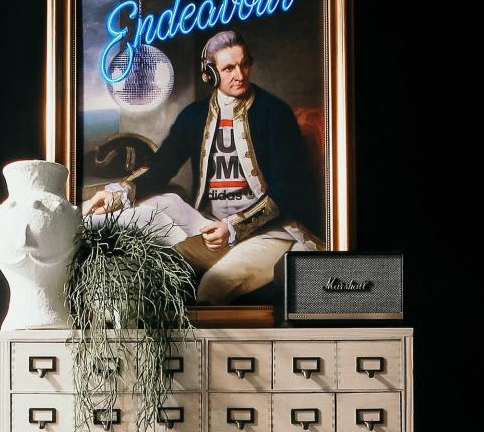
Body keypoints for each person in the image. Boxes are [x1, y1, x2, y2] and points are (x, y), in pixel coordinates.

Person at [87, 28, 322, 303]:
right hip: (209, 223)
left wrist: (233, 227)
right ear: (209, 73)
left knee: (211, 287)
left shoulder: (274, 113)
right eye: (229, 68)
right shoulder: (194, 116)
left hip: (270, 231)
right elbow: (161, 166)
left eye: (245, 65)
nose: (240, 75)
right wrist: (119, 191)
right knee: (161, 215)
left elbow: (286, 190)